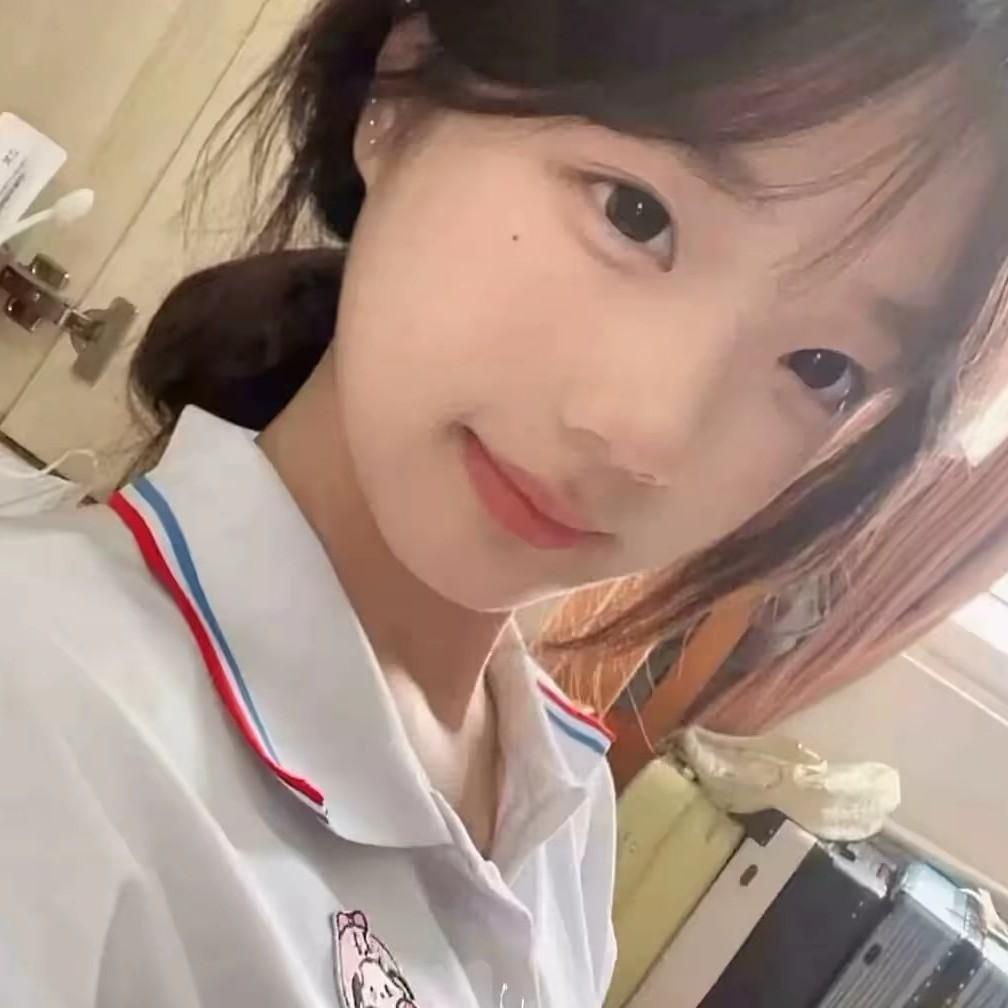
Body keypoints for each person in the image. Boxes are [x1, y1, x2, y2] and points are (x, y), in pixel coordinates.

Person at [2, 0, 1008, 1005]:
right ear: (401, 92)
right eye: (633, 213)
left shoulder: (561, 808)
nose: (650, 435)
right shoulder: (48, 708)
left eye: (822, 366)